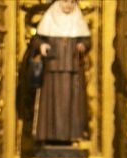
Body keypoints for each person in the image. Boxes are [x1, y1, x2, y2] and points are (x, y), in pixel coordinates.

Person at [23, 0, 92, 147]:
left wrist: (82, 46)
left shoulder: (78, 20)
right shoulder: (49, 18)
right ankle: (49, 135)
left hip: (73, 71)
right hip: (52, 72)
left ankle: (71, 135)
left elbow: (86, 40)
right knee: (51, 103)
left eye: (72, 2)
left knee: (71, 104)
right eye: (65, 1)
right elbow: (37, 39)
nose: (68, 5)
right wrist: (42, 45)